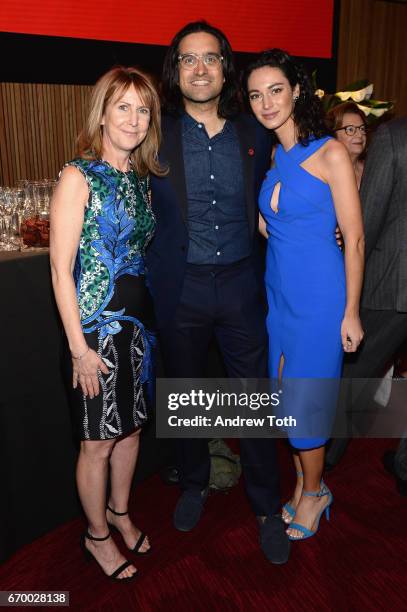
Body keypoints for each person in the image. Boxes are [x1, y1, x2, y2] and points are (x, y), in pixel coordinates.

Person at [146, 21, 290, 564]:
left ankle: (266, 506)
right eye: (189, 59)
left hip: (238, 284)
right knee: (182, 392)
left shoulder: (254, 131)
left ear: (226, 67)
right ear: (175, 69)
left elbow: (286, 185)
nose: (201, 69)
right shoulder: (153, 130)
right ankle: (193, 480)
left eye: (211, 58)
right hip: (179, 286)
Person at [243, 49, 364, 541]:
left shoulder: (331, 152)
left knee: (305, 404)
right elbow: (273, 220)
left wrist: (351, 312)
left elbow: (353, 238)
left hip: (319, 299)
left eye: (275, 90)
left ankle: (316, 494)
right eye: (255, 94)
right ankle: (302, 482)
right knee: (286, 397)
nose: (266, 102)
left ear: (296, 91)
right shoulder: (275, 155)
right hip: (280, 297)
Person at [50, 66, 165, 580]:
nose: (134, 119)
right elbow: (60, 270)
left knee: (132, 431)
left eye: (143, 109)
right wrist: (78, 349)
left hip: (141, 329)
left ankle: (120, 512)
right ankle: (96, 535)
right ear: (103, 112)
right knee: (96, 442)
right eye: (124, 106)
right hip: (94, 333)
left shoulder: (140, 179)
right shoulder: (78, 176)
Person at [325, 117, 407, 495]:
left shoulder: (394, 136)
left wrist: (347, 287)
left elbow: (367, 223)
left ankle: (324, 457)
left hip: (391, 285)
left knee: (349, 378)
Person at [327, 102, 368, 189]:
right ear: (333, 134)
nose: (360, 134)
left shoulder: (372, 168)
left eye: (362, 129)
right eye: (350, 129)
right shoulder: (325, 173)